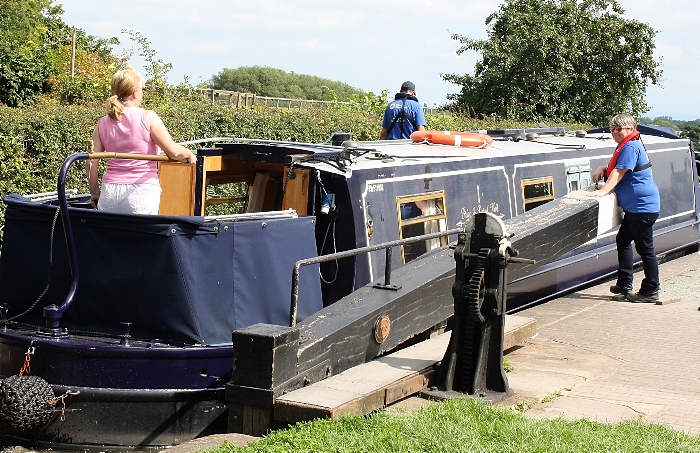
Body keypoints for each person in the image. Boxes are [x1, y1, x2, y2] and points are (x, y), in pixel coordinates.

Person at [87, 69, 197, 214]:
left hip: (110, 192)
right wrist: (189, 154)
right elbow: (174, 151)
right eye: (143, 89)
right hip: (140, 191)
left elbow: (90, 161)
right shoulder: (147, 116)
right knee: (144, 236)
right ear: (135, 92)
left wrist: (95, 192)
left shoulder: (103, 123)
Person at [588, 113, 660, 303]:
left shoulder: (631, 146)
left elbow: (619, 172)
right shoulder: (630, 144)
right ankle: (624, 283)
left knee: (646, 249)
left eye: (619, 129)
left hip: (642, 208)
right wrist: (603, 168)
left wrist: (603, 191)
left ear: (630, 129)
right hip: (637, 208)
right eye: (612, 129)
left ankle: (651, 290)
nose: (615, 132)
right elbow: (620, 166)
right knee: (623, 240)